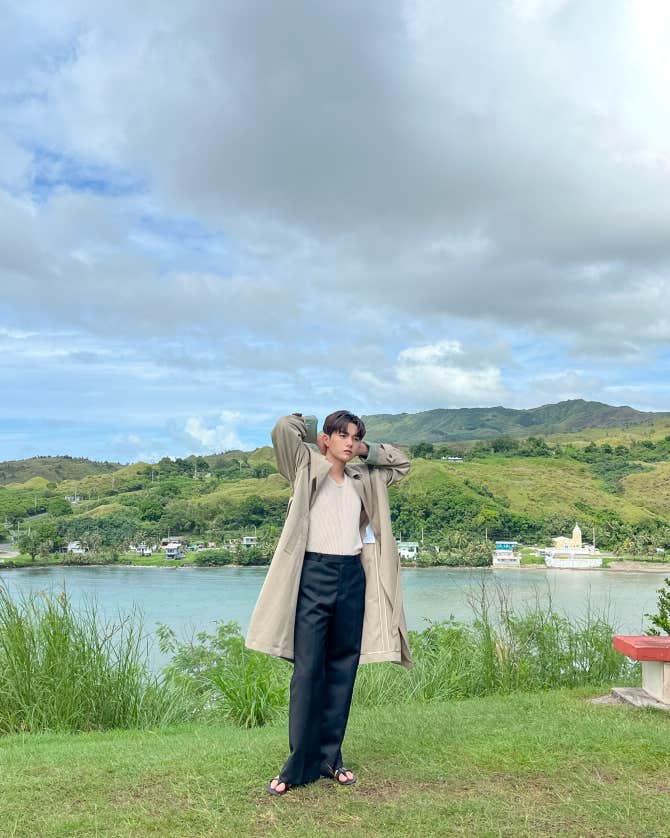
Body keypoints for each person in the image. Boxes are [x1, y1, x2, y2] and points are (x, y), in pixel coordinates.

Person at [245, 410, 412, 795]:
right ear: (326, 438)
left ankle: (330, 759)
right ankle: (297, 764)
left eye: (356, 437)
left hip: (352, 576)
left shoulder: (365, 477)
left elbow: (402, 464)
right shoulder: (305, 466)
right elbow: (283, 429)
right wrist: (313, 429)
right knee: (307, 672)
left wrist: (367, 451)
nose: (350, 443)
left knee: (342, 669)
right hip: (313, 574)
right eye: (342, 435)